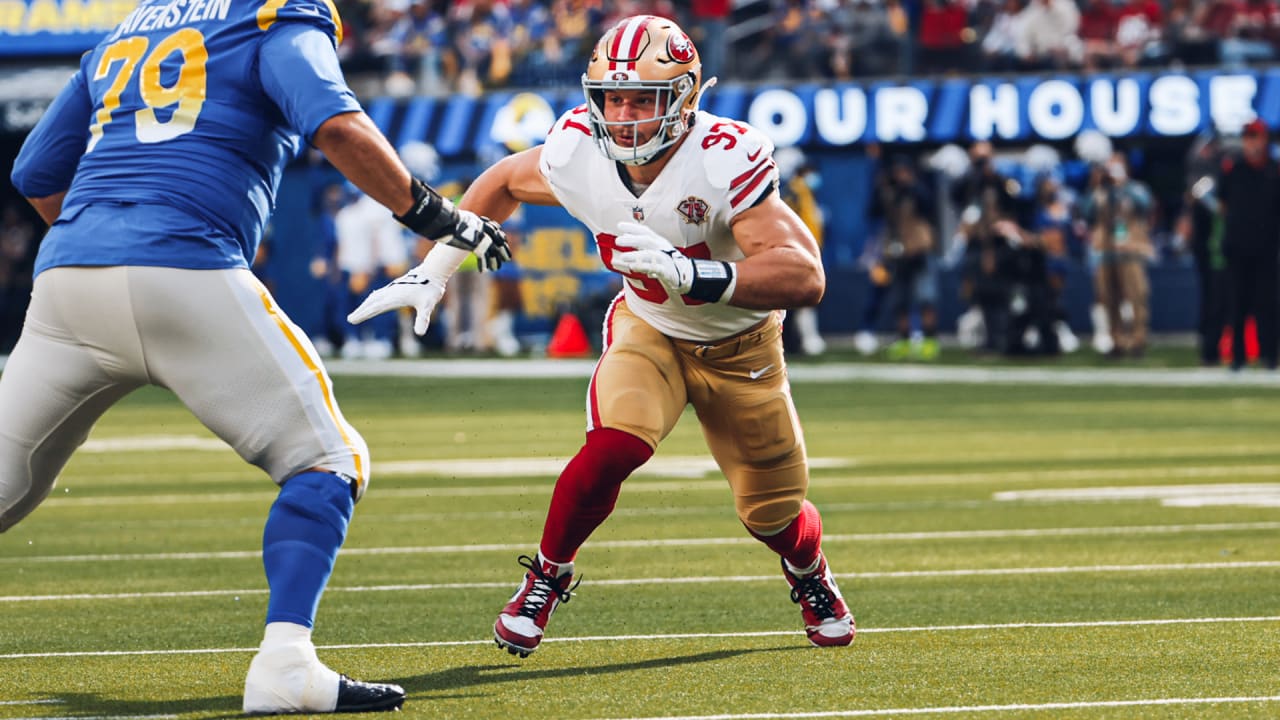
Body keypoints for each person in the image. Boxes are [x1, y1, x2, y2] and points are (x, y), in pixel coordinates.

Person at [3, 0, 511, 713]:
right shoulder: (272, 16)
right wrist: (441, 218)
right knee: (328, 460)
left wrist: (109, 245)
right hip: (185, 265)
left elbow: (34, 171)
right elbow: (335, 125)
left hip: (68, 278)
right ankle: (285, 666)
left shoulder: (129, 29)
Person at [350, 14, 854, 656]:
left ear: (685, 98)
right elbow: (505, 181)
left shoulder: (724, 156)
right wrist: (437, 266)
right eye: (611, 97)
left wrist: (691, 272)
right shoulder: (577, 147)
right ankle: (546, 575)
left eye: (641, 99)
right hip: (650, 326)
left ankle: (809, 571)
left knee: (773, 516)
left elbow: (804, 276)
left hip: (740, 347)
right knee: (616, 443)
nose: (623, 115)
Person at [1217, 118, 1280, 370]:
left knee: (1269, 303)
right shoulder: (1234, 168)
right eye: (1247, 137)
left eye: (1255, 137)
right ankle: (1238, 358)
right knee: (1237, 304)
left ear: (1264, 140)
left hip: (1268, 248)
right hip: (1238, 247)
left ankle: (1270, 356)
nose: (1251, 143)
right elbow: (1222, 205)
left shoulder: (1274, 170)